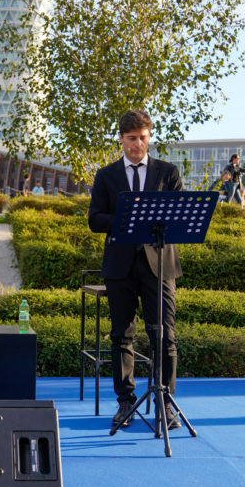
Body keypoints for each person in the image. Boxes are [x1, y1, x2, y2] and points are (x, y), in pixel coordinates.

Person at [88, 109, 183, 431]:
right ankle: (125, 403)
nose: (137, 144)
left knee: (165, 336)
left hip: (160, 265)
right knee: (121, 337)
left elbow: (180, 217)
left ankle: (165, 403)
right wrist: (129, 216)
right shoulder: (106, 175)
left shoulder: (168, 173)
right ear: (121, 139)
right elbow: (94, 219)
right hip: (120, 266)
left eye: (142, 138)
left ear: (149, 137)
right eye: (131, 138)